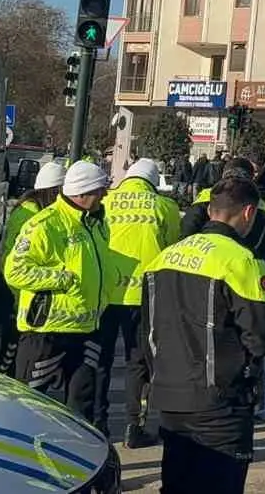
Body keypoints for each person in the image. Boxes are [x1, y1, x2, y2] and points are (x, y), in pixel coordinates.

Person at [141, 175, 265, 494]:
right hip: (220, 405)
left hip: (170, 398)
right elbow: (260, 337)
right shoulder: (241, 260)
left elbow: (146, 332)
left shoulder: (165, 256)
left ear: (209, 211)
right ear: (248, 213)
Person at [4, 160, 115, 422]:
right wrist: (61, 279)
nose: (105, 196)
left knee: (82, 407)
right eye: (100, 191)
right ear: (82, 193)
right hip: (47, 333)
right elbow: (15, 270)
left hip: (87, 328)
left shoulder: (95, 222)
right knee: (30, 405)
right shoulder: (45, 225)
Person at [97, 157, 182, 447]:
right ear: (154, 182)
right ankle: (135, 426)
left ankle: (97, 424)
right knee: (138, 363)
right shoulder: (164, 207)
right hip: (145, 295)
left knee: (100, 359)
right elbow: (171, 249)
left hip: (105, 295)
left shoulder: (106, 202)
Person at [0, 160, 65, 375]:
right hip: (19, 296)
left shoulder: (27, 208)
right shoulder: (33, 216)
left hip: (15, 292)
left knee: (11, 352)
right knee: (10, 354)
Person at [183, 158, 265, 265]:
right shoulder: (264, 210)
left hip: (197, 262)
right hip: (240, 269)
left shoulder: (206, 197)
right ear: (251, 178)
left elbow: (187, 232)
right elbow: (264, 257)